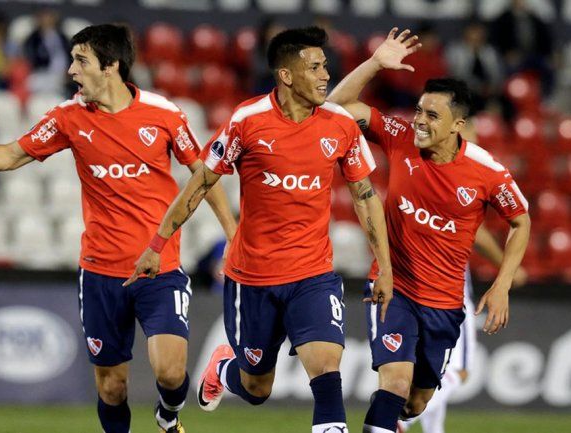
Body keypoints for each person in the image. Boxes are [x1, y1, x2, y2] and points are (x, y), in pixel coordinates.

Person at [0, 24, 237, 433]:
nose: (71, 70)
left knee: (171, 373)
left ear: (110, 66)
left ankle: (168, 415)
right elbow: (12, 155)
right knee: (111, 387)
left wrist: (234, 237)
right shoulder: (68, 118)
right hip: (100, 271)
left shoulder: (164, 115)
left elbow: (203, 175)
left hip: (160, 266)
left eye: (81, 60)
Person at [126, 27, 394, 433]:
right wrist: (156, 244)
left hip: (313, 275)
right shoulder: (247, 121)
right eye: (316, 67)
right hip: (252, 279)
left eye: (326, 67)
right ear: (286, 76)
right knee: (256, 386)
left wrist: (385, 266)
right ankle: (224, 367)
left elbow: (365, 195)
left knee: (326, 370)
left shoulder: (339, 125)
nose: (326, 76)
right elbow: (200, 184)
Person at [328, 28, 531, 433]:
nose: (419, 121)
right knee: (395, 382)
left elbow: (521, 221)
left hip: (444, 304)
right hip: (394, 288)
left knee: (415, 401)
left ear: (458, 125)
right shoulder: (400, 137)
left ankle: (391, 418)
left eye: (432, 115)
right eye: (419, 110)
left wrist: (503, 283)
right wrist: (373, 64)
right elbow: (336, 107)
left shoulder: (486, 172)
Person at [397, 224, 528, 433]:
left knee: (428, 371)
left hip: (406, 290)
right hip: (447, 295)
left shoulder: (411, 195)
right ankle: (401, 421)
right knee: (458, 371)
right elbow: (476, 231)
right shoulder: (454, 196)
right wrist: (507, 267)